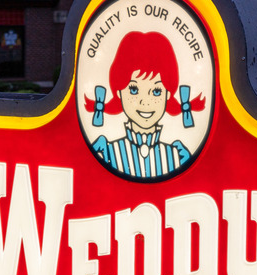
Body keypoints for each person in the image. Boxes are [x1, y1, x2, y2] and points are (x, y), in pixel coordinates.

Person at [85, 31, 205, 179]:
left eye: (156, 91)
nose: (144, 101)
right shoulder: (106, 150)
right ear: (118, 92)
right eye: (134, 89)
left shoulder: (178, 155)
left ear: (168, 94)